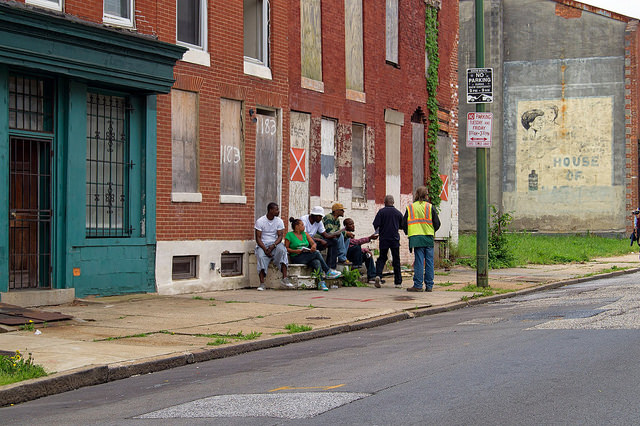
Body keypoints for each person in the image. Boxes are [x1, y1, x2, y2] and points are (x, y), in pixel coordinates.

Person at [285, 217, 341, 291]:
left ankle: (321, 282)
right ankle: (327, 271)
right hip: (296, 257)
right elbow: (286, 248)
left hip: (306, 255)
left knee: (316, 262)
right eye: (302, 225)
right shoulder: (289, 235)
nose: (304, 226)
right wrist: (295, 251)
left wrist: (313, 246)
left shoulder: (305, 234)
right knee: (316, 253)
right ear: (297, 226)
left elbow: (313, 243)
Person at [402, 186, 441, 292]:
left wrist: (409, 233)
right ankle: (429, 286)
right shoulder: (429, 207)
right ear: (425, 195)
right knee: (429, 262)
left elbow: (403, 224)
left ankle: (418, 285)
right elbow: (437, 223)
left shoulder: (410, 207)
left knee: (419, 261)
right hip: (428, 237)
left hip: (416, 238)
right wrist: (431, 231)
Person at [254, 202, 293, 291]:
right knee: (260, 256)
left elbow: (280, 236)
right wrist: (265, 249)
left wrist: (273, 246)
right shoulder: (260, 221)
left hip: (275, 244)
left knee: (283, 251)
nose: (278, 211)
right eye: (276, 210)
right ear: (270, 210)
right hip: (263, 245)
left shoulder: (279, 221)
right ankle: (262, 283)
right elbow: (258, 238)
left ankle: (285, 278)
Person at [372, 195, 404, 288]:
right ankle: (398, 282)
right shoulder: (398, 213)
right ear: (393, 202)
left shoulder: (381, 212)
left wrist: (381, 230)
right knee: (396, 259)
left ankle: (378, 275)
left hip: (384, 239)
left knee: (382, 257)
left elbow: (376, 224)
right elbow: (402, 225)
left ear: (385, 202)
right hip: (394, 239)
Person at [343, 218, 378, 285]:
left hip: (355, 255)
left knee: (368, 255)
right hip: (347, 256)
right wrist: (369, 238)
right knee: (357, 246)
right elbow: (357, 242)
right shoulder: (345, 234)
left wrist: (366, 251)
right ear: (345, 226)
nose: (353, 226)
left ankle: (371, 276)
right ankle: (356, 266)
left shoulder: (350, 234)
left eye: (353, 224)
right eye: (350, 224)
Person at [322, 203, 354, 268]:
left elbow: (338, 231)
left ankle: (342, 257)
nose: (343, 211)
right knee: (340, 235)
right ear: (336, 211)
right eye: (341, 210)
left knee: (347, 237)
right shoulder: (329, 217)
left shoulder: (337, 220)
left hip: (332, 236)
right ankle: (342, 258)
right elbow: (329, 231)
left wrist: (347, 234)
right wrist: (344, 233)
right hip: (324, 237)